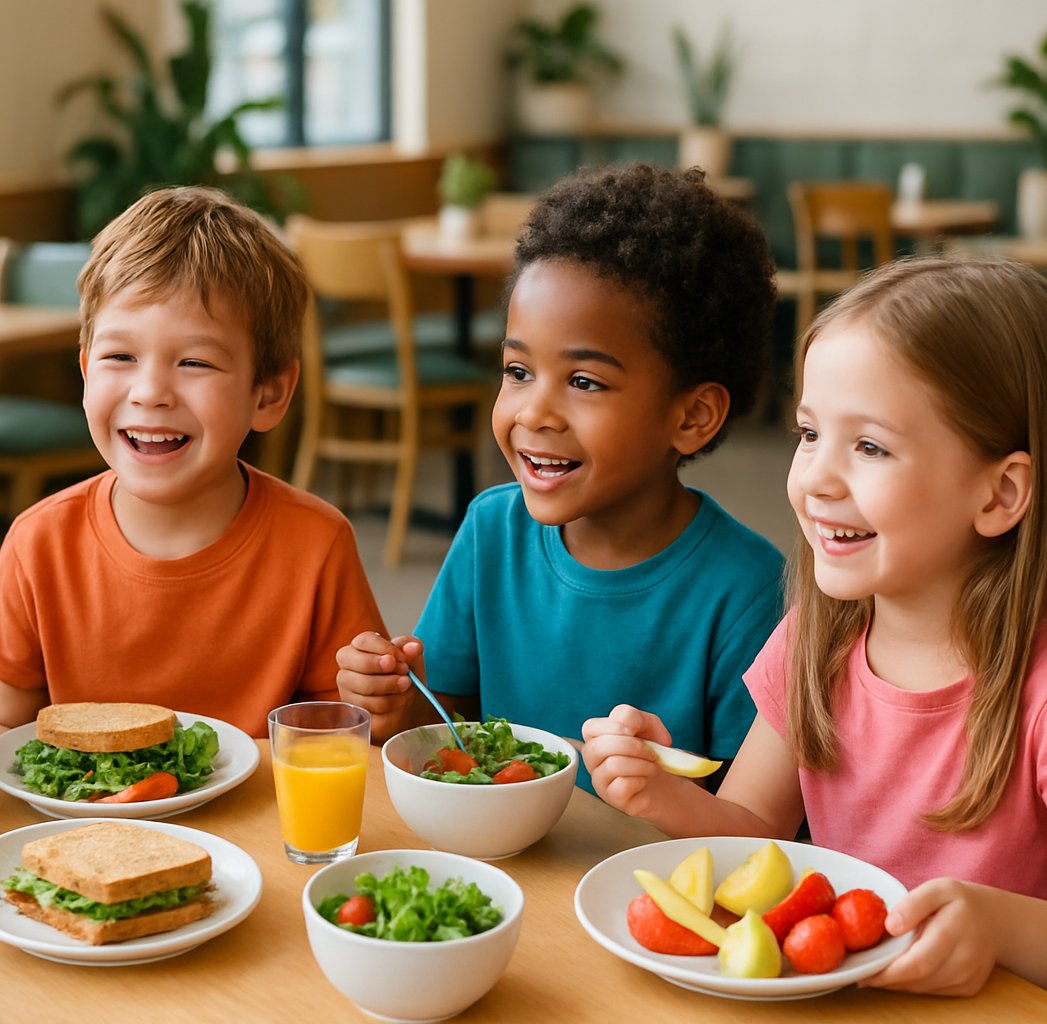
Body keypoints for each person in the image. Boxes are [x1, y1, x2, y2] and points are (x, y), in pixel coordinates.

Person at [582, 257, 1047, 1012]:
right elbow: (753, 832)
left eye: (869, 446)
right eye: (810, 434)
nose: (815, 478)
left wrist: (999, 927)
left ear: (1001, 491)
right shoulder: (818, 635)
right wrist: (664, 796)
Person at [336, 163, 785, 783]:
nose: (534, 412)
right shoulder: (491, 530)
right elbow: (448, 724)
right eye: (518, 372)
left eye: (584, 381)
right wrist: (392, 701)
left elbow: (754, 822)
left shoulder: (749, 592)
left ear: (692, 416)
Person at [0, 186, 385, 754]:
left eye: (194, 362)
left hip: (258, 834)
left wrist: (380, 700)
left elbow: (342, 736)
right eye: (120, 357)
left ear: (268, 394)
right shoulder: (38, 544)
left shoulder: (317, 544)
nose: (150, 393)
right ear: (87, 369)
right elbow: (7, 733)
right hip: (93, 834)